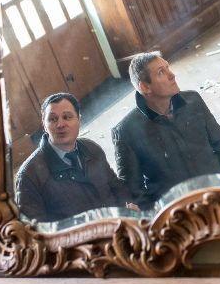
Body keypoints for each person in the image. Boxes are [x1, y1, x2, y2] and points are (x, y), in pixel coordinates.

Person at [112, 51, 220, 208]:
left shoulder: (193, 100)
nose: (172, 75)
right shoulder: (126, 132)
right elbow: (134, 190)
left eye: (168, 68)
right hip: (177, 212)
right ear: (145, 87)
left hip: (218, 195)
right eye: (161, 72)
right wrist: (160, 215)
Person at [15, 93, 132, 222]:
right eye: (53, 119)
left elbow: (117, 187)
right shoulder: (29, 175)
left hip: (118, 225)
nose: (60, 124)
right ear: (44, 125)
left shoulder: (91, 148)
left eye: (67, 117)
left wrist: (128, 209)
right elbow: (35, 229)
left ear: (79, 120)